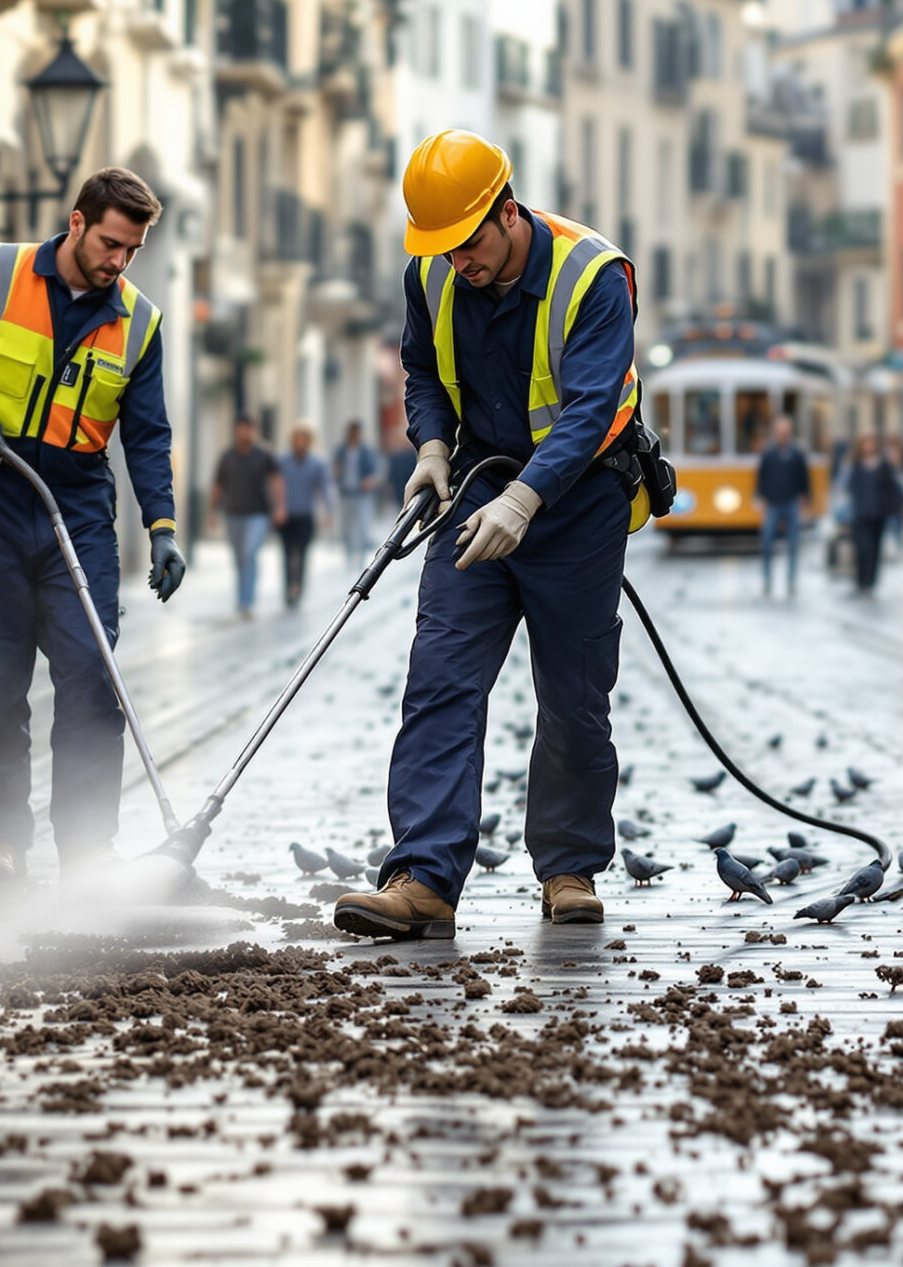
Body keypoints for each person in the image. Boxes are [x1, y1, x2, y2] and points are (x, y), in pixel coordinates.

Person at [333, 130, 643, 941]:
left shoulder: (593, 276)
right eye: (442, 249)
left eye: (469, 245)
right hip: (473, 491)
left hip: (578, 504)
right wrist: (431, 445)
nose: (458, 264)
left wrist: (529, 497)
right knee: (440, 676)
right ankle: (424, 877)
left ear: (508, 212)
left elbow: (591, 409)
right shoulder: (432, 271)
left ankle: (568, 868)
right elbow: (423, 368)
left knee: (574, 696)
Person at [0, 167, 186, 884]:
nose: (120, 261)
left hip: (79, 504)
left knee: (93, 676)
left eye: (134, 249)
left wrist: (161, 526)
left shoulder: (139, 322)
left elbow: (146, 436)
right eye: (113, 243)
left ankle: (88, 849)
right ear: (78, 223)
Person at [210, 417, 284, 616]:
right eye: (241, 429)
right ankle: (242, 597)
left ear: (254, 431)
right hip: (233, 514)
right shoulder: (227, 456)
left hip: (258, 514)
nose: (244, 433)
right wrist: (212, 511)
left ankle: (247, 602)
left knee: (249, 553)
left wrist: (280, 507)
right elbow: (218, 485)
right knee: (239, 558)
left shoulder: (264, 455)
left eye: (248, 429)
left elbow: (276, 481)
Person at [753, 417, 814, 597]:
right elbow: (761, 476)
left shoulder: (797, 454)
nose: (782, 435)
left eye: (785, 432)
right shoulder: (768, 454)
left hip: (791, 502)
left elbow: (804, 477)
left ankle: (791, 582)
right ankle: (767, 581)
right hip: (772, 503)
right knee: (766, 543)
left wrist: (805, 496)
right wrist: (760, 496)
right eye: (780, 432)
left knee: (793, 544)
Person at [275, 423, 334, 607]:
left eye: (303, 438)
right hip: (286, 515)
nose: (300, 442)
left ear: (309, 441)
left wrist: (328, 510)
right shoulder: (282, 462)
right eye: (297, 438)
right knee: (286, 553)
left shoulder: (317, 463)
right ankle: (288, 587)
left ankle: (298, 587)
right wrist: (276, 509)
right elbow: (275, 487)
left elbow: (325, 487)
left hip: (306, 515)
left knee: (302, 552)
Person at [841, 433, 903, 596]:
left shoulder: (883, 465)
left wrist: (899, 506)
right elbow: (847, 487)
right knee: (863, 548)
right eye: (865, 443)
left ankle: (871, 582)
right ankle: (861, 581)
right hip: (861, 513)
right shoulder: (855, 465)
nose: (869, 446)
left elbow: (893, 487)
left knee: (875, 548)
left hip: (878, 513)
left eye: (871, 443)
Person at [334, 421, 382, 561]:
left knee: (362, 526)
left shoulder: (366, 451)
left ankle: (360, 557)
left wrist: (370, 481)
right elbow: (336, 466)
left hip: (363, 494)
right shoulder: (341, 450)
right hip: (346, 493)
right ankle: (348, 555)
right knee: (346, 527)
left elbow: (377, 470)